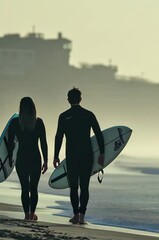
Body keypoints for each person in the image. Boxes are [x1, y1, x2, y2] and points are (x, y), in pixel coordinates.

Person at [53, 88, 105, 224]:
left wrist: (56, 156)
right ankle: (82, 216)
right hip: (87, 155)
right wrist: (102, 153)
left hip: (72, 156)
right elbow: (99, 134)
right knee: (84, 186)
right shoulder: (88, 114)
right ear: (80, 99)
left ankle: (75, 215)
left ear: (68, 99)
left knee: (74, 187)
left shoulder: (63, 116)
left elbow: (58, 137)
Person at [8, 97, 48, 221]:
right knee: (34, 188)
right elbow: (43, 143)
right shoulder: (39, 122)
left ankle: (26, 215)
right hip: (35, 158)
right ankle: (32, 214)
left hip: (21, 158)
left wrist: (10, 159)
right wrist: (46, 161)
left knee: (25, 188)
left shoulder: (15, 123)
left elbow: (10, 143)